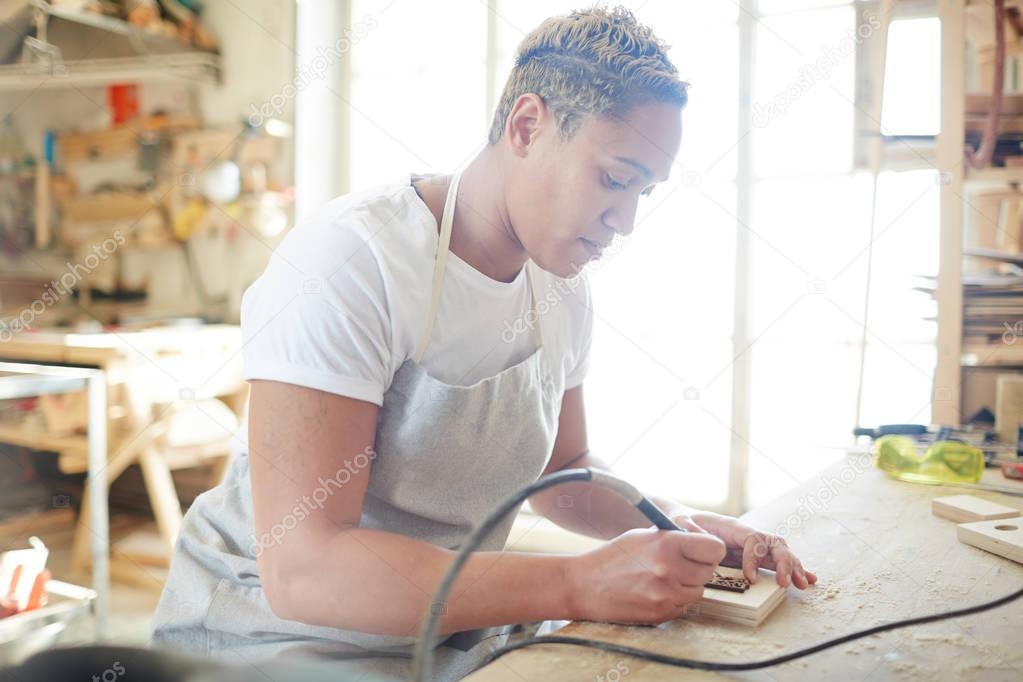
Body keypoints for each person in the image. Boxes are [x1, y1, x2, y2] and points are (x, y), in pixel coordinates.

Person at [152, 6, 817, 680]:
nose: (625, 221)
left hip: (443, 635)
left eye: (643, 190)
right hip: (274, 641)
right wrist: (574, 583)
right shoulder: (353, 261)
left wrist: (673, 522)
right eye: (615, 179)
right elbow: (305, 568)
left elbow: (564, 474)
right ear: (527, 126)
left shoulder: (559, 283)